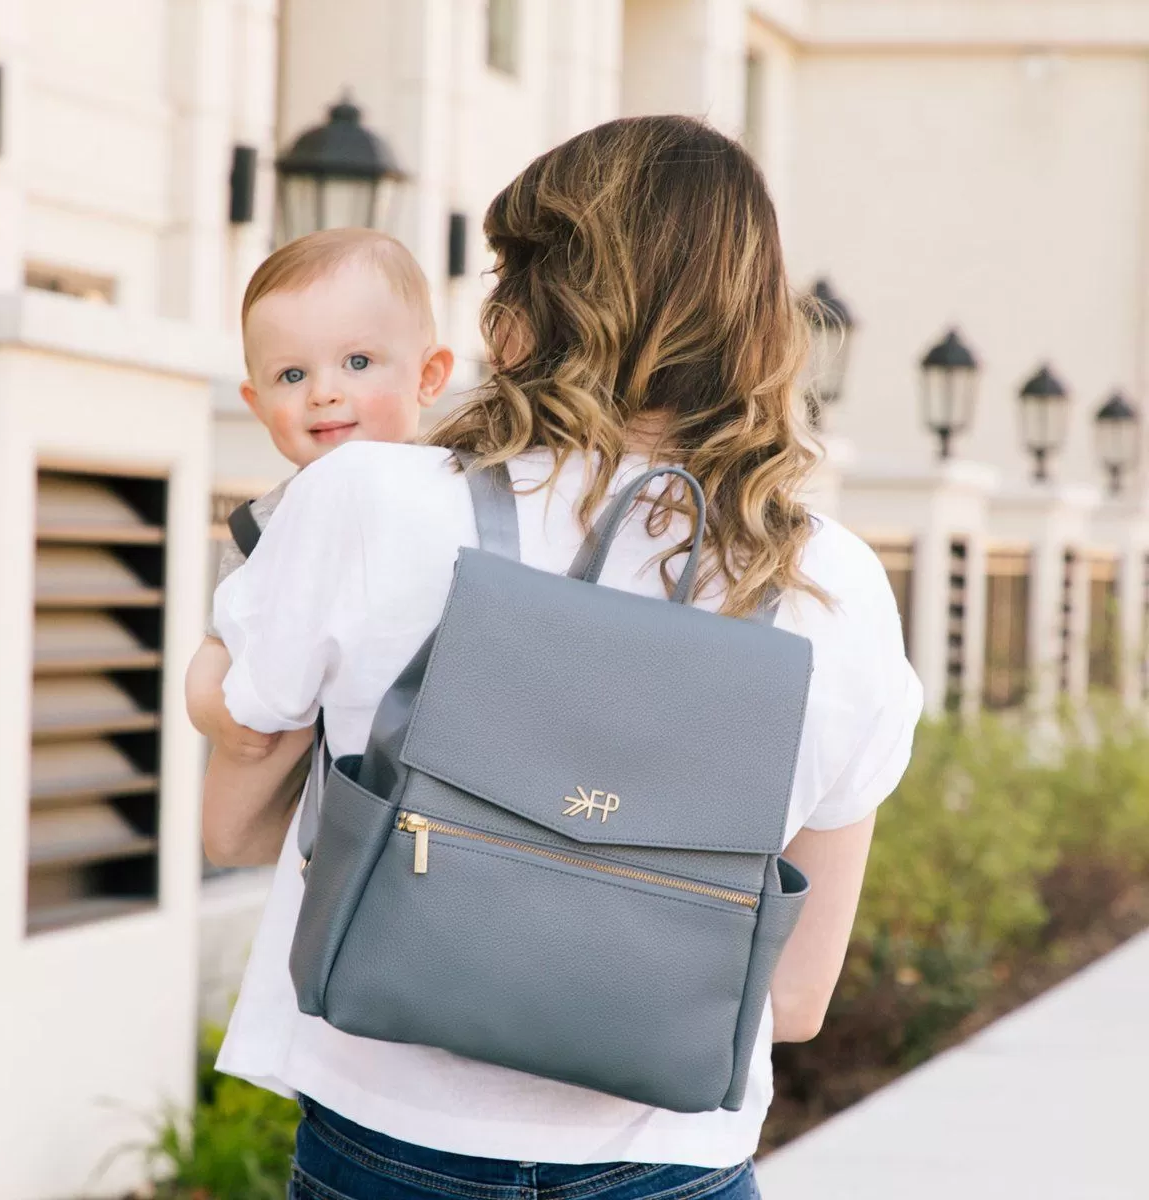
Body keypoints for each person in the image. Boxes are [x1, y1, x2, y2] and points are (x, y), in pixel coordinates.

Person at [202, 115, 923, 1200]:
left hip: (388, 1138)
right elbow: (796, 1001)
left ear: (531, 307)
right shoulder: (834, 585)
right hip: (670, 1163)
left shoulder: (366, 498)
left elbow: (233, 826)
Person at [184, 227, 454, 765]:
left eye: (357, 363)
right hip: (342, 772)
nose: (323, 392)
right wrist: (211, 710)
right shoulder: (263, 525)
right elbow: (218, 645)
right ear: (256, 403)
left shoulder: (460, 489)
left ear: (427, 376)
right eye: (291, 374)